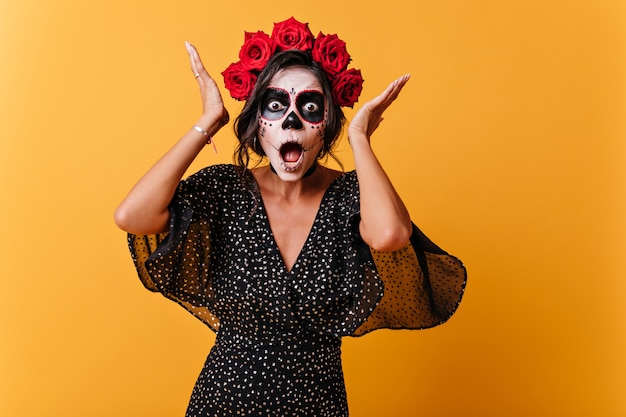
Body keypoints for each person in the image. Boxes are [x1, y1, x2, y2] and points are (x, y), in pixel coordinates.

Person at [114, 17, 466, 417]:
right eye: (276, 105)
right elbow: (132, 215)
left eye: (311, 108)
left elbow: (390, 235)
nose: (292, 121)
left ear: (327, 124)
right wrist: (209, 120)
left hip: (317, 403)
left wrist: (360, 138)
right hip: (224, 400)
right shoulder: (226, 190)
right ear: (257, 122)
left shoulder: (350, 196)